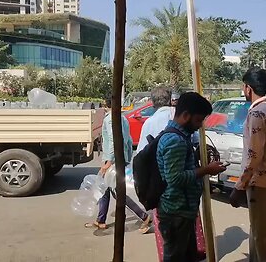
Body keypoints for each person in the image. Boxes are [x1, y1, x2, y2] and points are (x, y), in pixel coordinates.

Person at [156, 92, 226, 261]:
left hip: (180, 212)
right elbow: (175, 178)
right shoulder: (175, 141)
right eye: (198, 120)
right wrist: (206, 170)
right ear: (186, 115)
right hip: (176, 212)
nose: (200, 125)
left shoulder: (178, 136)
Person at [230, 68, 266, 262]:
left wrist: (240, 185)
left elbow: (254, 155)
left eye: (244, 87)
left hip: (259, 180)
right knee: (258, 229)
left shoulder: (258, 113)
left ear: (248, 88)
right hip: (264, 177)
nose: (243, 91)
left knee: (261, 234)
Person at [85, 94, 151, 233]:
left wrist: (108, 162)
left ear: (105, 105)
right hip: (119, 158)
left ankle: (143, 216)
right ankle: (100, 220)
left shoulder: (110, 120)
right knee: (105, 189)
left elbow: (114, 141)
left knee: (117, 192)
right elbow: (127, 139)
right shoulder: (123, 118)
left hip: (113, 159)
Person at [136, 87, 174, 153]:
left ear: (153, 103)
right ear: (170, 101)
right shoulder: (178, 116)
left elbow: (141, 150)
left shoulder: (149, 123)